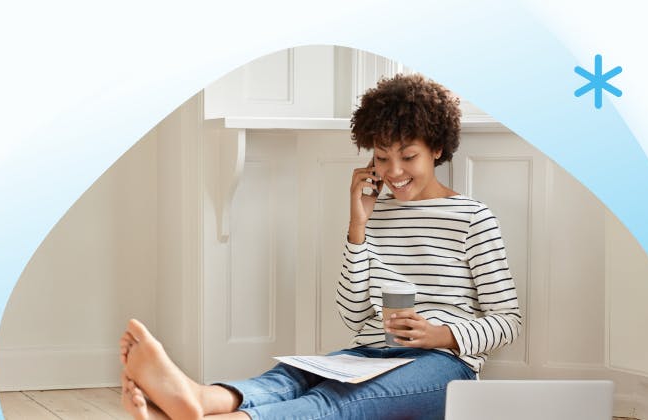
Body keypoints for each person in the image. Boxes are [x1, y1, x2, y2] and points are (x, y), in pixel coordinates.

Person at [117, 73, 522, 420]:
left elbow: (508, 320)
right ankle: (198, 399)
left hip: (442, 367)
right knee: (290, 378)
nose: (393, 172)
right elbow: (352, 313)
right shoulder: (372, 215)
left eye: (408, 156)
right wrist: (358, 226)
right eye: (382, 158)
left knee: (339, 401)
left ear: (436, 148)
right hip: (366, 355)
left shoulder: (471, 217)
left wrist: (442, 335)